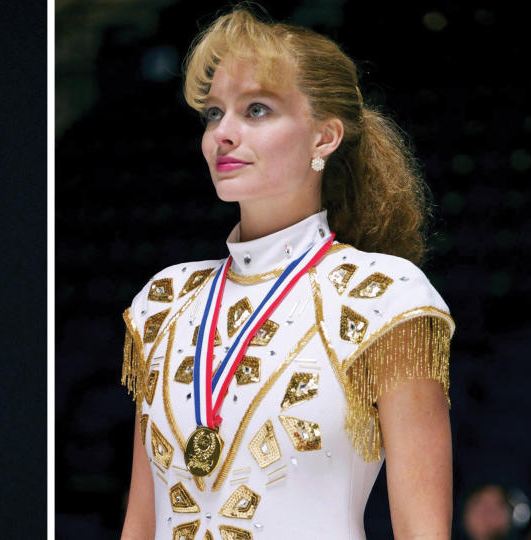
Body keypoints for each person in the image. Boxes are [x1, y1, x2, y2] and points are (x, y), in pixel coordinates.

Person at [120, 8, 452, 540]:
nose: (222, 134)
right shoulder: (163, 301)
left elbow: (422, 531)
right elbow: (139, 525)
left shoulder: (387, 298)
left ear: (324, 138)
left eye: (255, 110)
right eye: (212, 113)